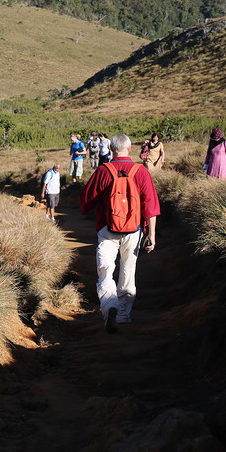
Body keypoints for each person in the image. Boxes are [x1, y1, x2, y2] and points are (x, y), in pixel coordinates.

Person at [79, 134, 160, 334]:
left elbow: (85, 202)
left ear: (112, 150)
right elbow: (150, 206)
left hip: (107, 229)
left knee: (105, 270)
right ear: (130, 149)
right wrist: (152, 234)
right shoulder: (140, 171)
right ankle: (123, 315)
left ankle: (110, 306)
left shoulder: (103, 171)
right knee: (128, 271)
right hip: (134, 230)